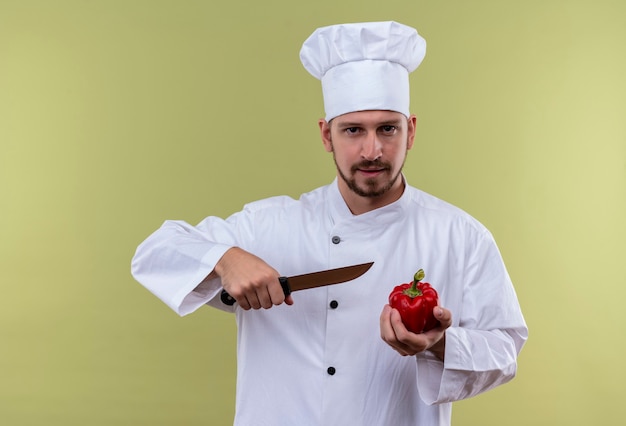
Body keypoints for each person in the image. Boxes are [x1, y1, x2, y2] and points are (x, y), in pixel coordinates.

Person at [131, 21, 527, 425]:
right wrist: (225, 258)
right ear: (326, 135)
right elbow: (153, 253)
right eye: (353, 130)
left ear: (410, 131)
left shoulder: (461, 236)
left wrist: (440, 345)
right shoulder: (268, 225)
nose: (371, 150)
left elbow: (505, 350)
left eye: (387, 129)